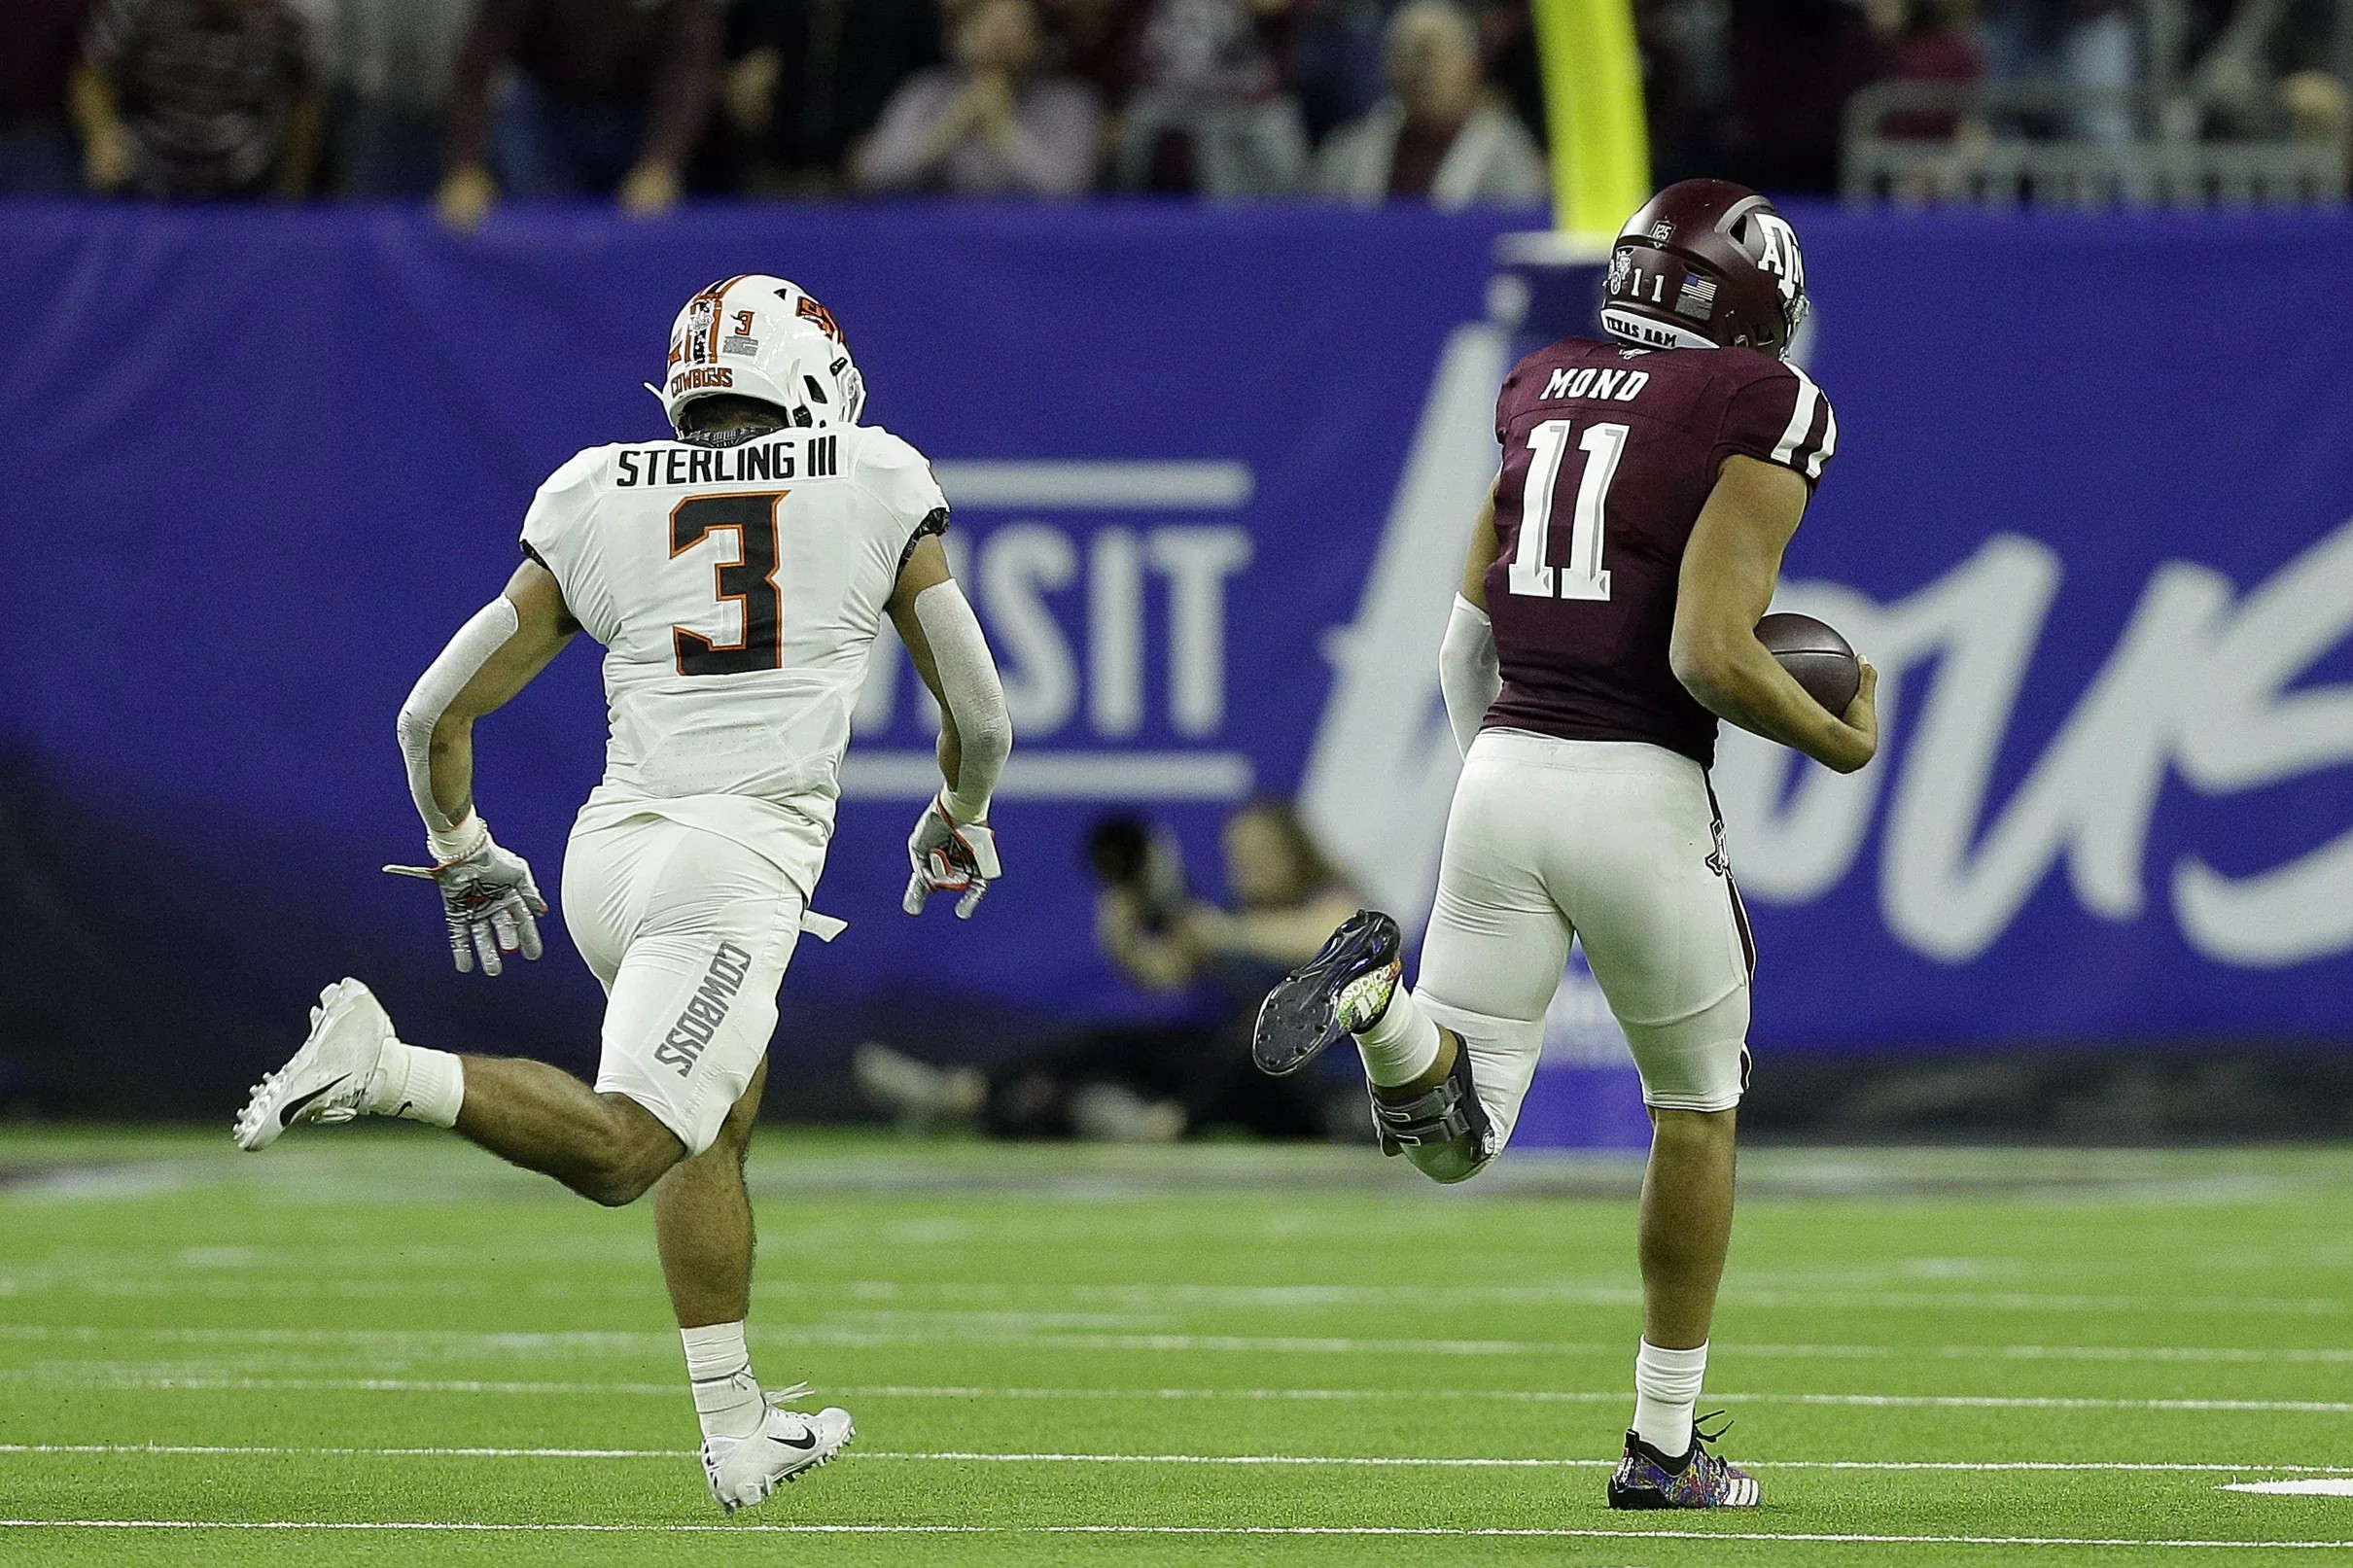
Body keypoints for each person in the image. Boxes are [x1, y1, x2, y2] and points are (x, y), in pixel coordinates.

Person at [232, 276, 1013, 1515]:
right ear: (814, 379)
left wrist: (464, 846)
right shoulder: (872, 476)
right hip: (730, 867)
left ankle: (736, 1422)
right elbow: (976, 709)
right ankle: (386, 1066)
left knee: (718, 1114)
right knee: (627, 1147)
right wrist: (961, 815)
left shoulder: (598, 488)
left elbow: (430, 711)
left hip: (612, 853)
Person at [1251, 180, 1877, 1509]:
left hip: (1503, 772)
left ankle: (1381, 1009)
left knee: (1459, 1131)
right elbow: (1708, 651)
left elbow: (1464, 636)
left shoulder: (1543, 382)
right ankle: (1662, 1446)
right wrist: (1840, 737)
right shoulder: (1766, 406)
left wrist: (1508, 775)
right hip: (1639, 790)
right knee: (1696, 1110)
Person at [856, 798, 1359, 1140]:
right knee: (1110, 1042)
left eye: (1262, 855)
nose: (1248, 867)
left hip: (1322, 1088)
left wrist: (1221, 933)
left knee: (1249, 1036)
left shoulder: (1329, 900)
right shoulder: (1229, 915)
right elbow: (1160, 976)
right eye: (1240, 857)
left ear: (1296, 853)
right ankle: (964, 1095)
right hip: (1234, 1080)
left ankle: (1163, 1127)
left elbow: (1322, 935)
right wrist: (1124, 913)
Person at [438, 0, 722, 229]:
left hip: (639, 109)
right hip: (546, 105)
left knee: (647, 221)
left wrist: (661, 163)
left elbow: (689, 70)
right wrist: (465, 165)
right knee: (540, 227)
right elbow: (479, 62)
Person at [72, 0, 322, 199]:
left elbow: (308, 97)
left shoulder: (285, 18)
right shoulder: (139, 7)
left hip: (243, 183)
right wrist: (101, 134)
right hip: (146, 180)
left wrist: (291, 187)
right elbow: (92, 74)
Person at [854, 0, 1102, 197]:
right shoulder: (925, 91)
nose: (996, 39)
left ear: (1038, 38)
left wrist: (1003, 132)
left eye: (1013, 26)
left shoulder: (1071, 102)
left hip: (1030, 242)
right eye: (984, 23)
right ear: (958, 35)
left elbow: (1069, 190)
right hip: (934, 239)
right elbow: (873, 175)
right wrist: (948, 129)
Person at [1314, 0, 1546, 208]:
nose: (1418, 70)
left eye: (1430, 53)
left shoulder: (1506, 155)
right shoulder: (1349, 154)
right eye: (1404, 53)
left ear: (1471, 65)